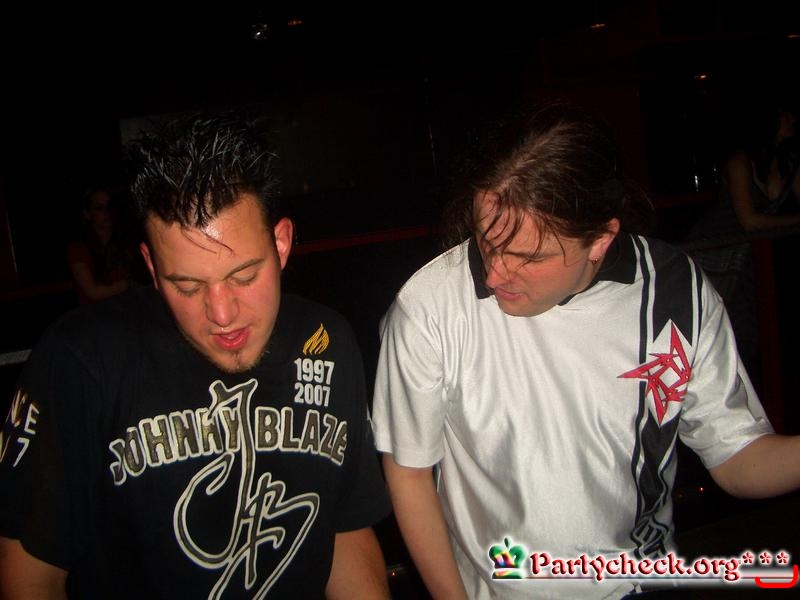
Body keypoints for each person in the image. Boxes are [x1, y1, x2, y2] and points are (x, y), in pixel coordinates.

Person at [371, 102, 800, 599]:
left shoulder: (673, 293)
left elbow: (738, 458)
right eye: (487, 242)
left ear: (600, 240)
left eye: (527, 257)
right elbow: (409, 471)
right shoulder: (430, 306)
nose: (492, 275)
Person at [0, 112, 391, 599]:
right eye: (186, 285)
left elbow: (345, 528)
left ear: (282, 243)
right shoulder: (81, 359)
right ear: (151, 265)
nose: (222, 314)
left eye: (244, 276)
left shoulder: (326, 340)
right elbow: (30, 574)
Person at [65, 184, 136, 304]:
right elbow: (94, 292)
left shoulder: (126, 243)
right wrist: (129, 283)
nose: (106, 213)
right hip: (95, 312)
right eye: (99, 208)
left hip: (128, 307)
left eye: (110, 207)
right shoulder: (78, 249)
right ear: (87, 214)